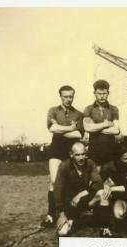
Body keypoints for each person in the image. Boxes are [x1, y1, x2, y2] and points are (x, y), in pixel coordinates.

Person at [43, 85, 84, 227]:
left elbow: (79, 134)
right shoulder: (53, 110)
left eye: (71, 96)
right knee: (55, 181)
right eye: (65, 96)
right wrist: (70, 128)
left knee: (69, 182)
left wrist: (62, 130)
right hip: (56, 150)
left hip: (71, 151)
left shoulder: (78, 114)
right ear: (60, 96)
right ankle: (50, 215)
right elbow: (52, 128)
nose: (68, 99)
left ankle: (68, 213)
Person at [54, 142, 110, 237]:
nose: (81, 158)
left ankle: (105, 228)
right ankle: (73, 217)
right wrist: (61, 214)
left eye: (83, 154)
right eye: (77, 155)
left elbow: (98, 183)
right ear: (71, 155)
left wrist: (80, 194)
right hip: (69, 203)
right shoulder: (64, 166)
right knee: (62, 232)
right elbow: (57, 190)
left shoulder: (90, 163)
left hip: (83, 199)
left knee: (102, 193)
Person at [83, 80, 121, 169]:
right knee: (96, 177)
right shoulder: (89, 109)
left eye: (104, 93)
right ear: (94, 93)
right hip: (94, 148)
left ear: (108, 93)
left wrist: (96, 127)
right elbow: (88, 127)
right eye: (99, 93)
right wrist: (106, 124)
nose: (102, 96)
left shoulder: (114, 109)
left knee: (111, 178)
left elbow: (116, 129)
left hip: (110, 149)